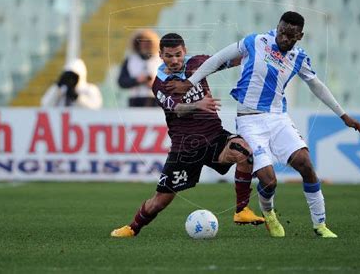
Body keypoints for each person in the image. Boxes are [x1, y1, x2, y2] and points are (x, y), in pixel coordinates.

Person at [165, 11, 360, 238]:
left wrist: (343, 115)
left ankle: (320, 224)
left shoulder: (299, 57)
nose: (283, 38)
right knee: (269, 181)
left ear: (300, 36)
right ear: (277, 27)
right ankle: (269, 214)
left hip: (278, 119)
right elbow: (218, 59)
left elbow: (317, 85)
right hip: (249, 120)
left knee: (306, 164)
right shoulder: (255, 42)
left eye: (290, 35)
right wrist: (189, 83)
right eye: (281, 32)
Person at [110, 33, 264, 238]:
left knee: (244, 151)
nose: (174, 60)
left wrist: (253, 56)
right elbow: (178, 109)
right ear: (161, 55)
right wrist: (198, 105)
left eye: (178, 55)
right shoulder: (159, 84)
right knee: (160, 201)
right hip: (185, 148)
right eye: (169, 56)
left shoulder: (198, 63)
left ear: (185, 51)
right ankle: (132, 228)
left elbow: (228, 61)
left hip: (213, 137)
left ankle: (241, 210)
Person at [117, 29, 162, 107]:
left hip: (155, 100)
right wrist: (136, 80)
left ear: (153, 44)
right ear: (136, 44)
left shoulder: (160, 60)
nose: (144, 45)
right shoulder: (130, 60)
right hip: (135, 99)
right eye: (141, 42)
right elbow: (121, 82)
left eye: (147, 42)